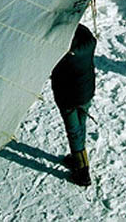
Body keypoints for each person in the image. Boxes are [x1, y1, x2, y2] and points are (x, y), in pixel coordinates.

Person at [51, 23, 97, 187]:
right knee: (81, 124)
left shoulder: (65, 56)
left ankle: (82, 171)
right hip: (86, 93)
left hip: (68, 98)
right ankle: (79, 156)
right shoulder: (88, 43)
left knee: (73, 131)